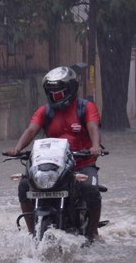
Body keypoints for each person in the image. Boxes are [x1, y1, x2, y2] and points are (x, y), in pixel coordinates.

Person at [5, 66, 103, 243]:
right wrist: (17, 148)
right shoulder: (45, 111)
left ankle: (92, 232)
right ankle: (31, 232)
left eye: (59, 93)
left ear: (71, 90)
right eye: (52, 93)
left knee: (91, 188)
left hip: (82, 163)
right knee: (24, 186)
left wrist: (95, 146)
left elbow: (93, 127)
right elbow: (31, 130)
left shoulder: (86, 107)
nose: (55, 96)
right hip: (52, 165)